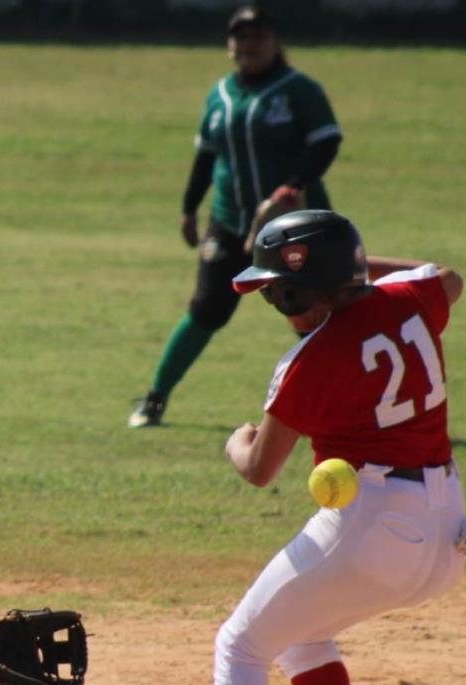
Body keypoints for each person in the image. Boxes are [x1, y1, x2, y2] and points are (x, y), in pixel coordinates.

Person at [199, 210, 466, 685]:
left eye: (276, 288)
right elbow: (452, 278)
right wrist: (352, 274)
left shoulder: (311, 357)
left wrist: (234, 441)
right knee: (301, 630)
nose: (272, 298)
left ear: (300, 290)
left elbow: (260, 468)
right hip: (449, 526)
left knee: (239, 647)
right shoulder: (410, 298)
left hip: (375, 527)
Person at [127, 3, 342, 428]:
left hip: (294, 227)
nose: (249, 44)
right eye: (240, 36)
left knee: (309, 314)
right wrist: (189, 208)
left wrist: (291, 186)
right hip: (229, 221)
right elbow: (207, 156)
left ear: (275, 41)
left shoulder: (299, 90)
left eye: (258, 36)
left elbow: (325, 143)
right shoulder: (220, 93)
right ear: (229, 45)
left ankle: (340, 407)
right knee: (206, 310)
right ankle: (154, 398)